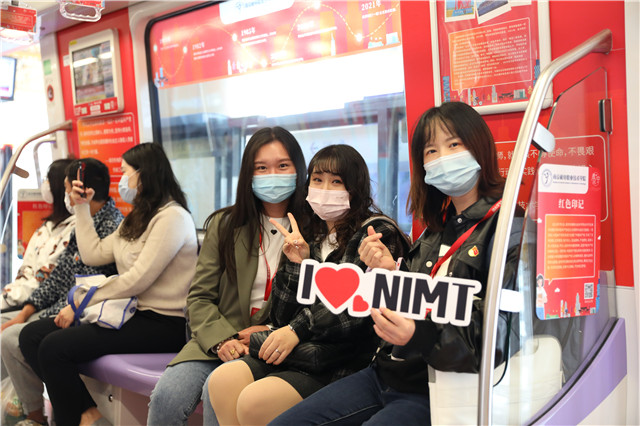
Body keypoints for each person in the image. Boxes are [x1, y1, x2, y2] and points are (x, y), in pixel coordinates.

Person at [270, 101, 523, 425]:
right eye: (431, 151)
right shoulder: (435, 228)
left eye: (454, 145)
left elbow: (497, 336)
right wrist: (391, 272)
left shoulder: (507, 227)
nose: (442, 157)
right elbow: (415, 293)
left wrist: (420, 334)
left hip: (439, 387)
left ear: (480, 147)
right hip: (386, 372)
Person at [208, 144, 410, 425]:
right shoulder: (311, 234)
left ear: (355, 188)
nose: (325, 189)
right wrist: (297, 263)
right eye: (317, 180)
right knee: (222, 381)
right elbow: (280, 315)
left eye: (336, 182)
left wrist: (297, 329)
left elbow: (352, 311)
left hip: (343, 359)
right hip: (301, 352)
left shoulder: (375, 233)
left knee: (254, 402)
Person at [18, 143, 198, 426]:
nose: (123, 180)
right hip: (135, 313)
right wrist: (81, 208)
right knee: (31, 336)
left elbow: (138, 278)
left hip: (165, 323)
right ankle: (89, 415)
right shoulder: (137, 218)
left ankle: (77, 419)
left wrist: (84, 300)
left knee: (54, 348)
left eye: (126, 172)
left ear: (143, 174)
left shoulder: (173, 218)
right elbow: (93, 253)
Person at [147, 127, 307, 425]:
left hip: (274, 344)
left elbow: (312, 306)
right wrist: (223, 341)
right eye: (262, 168)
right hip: (217, 338)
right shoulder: (225, 224)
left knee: (217, 390)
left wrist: (266, 332)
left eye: (283, 165)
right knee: (166, 397)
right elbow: (199, 297)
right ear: (248, 174)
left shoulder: (315, 229)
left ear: (298, 169)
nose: (272, 175)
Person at [1, 158, 123, 426]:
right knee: (11, 329)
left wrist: (38, 315)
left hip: (87, 311)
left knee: (12, 339)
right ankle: (30, 413)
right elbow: (59, 276)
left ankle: (37, 417)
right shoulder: (84, 221)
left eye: (69, 189)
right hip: (63, 305)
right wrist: (26, 312)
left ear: (83, 190)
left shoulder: (111, 226)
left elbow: (91, 286)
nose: (67, 195)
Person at [1, 159, 75, 311]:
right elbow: (26, 270)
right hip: (18, 297)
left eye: (48, 179)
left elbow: (45, 279)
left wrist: (8, 299)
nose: (45, 184)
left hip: (41, 302)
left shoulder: (73, 229)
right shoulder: (46, 228)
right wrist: (8, 295)